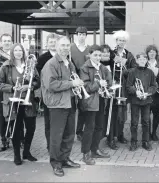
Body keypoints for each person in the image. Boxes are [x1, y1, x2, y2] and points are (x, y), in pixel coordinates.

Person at [41, 36, 82, 177]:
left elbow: (73, 78)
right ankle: (56, 163)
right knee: (56, 136)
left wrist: (76, 83)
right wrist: (72, 84)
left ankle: (64, 159)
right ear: (57, 47)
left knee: (69, 134)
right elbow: (51, 85)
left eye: (67, 45)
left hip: (69, 102)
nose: (65, 48)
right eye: (62, 45)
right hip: (57, 105)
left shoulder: (68, 63)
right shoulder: (51, 64)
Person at [0, 43, 40, 165]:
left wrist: (29, 86)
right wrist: (12, 88)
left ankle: (26, 152)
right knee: (16, 130)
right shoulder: (6, 66)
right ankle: (17, 155)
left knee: (31, 128)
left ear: (23, 52)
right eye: (16, 50)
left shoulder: (30, 65)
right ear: (12, 52)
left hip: (28, 101)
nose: (19, 52)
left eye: (21, 50)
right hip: (13, 102)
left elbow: (37, 81)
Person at [79, 45, 112, 165]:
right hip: (90, 101)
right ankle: (85, 153)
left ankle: (95, 149)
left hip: (101, 99)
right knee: (89, 128)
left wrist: (107, 85)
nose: (98, 57)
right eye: (95, 55)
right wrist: (98, 84)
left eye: (99, 55)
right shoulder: (84, 68)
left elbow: (109, 81)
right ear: (90, 55)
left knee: (99, 126)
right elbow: (86, 87)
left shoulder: (103, 67)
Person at [107, 30, 137, 150]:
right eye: (119, 40)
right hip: (113, 86)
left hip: (123, 87)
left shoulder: (129, 55)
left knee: (122, 115)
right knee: (112, 113)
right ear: (116, 41)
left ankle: (120, 135)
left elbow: (134, 69)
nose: (121, 42)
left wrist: (125, 71)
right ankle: (111, 138)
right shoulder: (111, 53)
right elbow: (106, 66)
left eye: (124, 40)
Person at [126, 52, 157, 151]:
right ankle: (134, 142)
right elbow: (128, 86)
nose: (142, 61)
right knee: (134, 122)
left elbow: (153, 86)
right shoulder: (132, 72)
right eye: (140, 59)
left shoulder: (150, 72)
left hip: (146, 100)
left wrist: (147, 93)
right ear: (137, 60)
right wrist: (136, 91)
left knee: (146, 122)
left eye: (144, 59)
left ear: (146, 60)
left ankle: (145, 142)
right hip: (135, 100)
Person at [36, 33, 59, 151]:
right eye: (51, 42)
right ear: (47, 43)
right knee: (48, 121)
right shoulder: (42, 58)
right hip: (48, 94)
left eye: (55, 42)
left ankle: (57, 144)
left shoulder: (63, 56)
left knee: (59, 121)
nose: (53, 44)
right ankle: (50, 145)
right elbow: (38, 75)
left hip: (60, 94)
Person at [71, 26, 91, 142]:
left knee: (83, 108)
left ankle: (79, 132)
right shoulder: (70, 48)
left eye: (83, 34)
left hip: (85, 82)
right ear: (76, 35)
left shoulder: (89, 49)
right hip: (73, 81)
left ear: (86, 36)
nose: (81, 36)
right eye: (79, 34)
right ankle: (70, 132)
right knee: (72, 109)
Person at [145, 45, 159, 141]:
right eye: (150, 51)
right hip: (147, 92)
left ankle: (154, 133)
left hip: (157, 93)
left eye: (153, 51)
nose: (152, 53)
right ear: (147, 53)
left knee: (156, 113)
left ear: (156, 53)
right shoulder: (144, 63)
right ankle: (147, 133)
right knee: (147, 114)